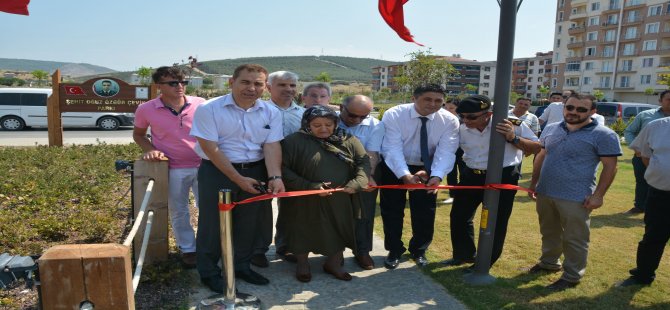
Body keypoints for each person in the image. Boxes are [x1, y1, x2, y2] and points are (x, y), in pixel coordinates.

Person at [190, 64, 285, 293]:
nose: (251, 88)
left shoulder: (271, 112)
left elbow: (271, 145)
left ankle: (241, 266)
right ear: (232, 82)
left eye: (258, 84)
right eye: (245, 82)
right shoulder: (209, 109)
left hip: (256, 171)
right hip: (217, 171)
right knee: (212, 225)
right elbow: (211, 149)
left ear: (266, 87)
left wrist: (275, 176)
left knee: (248, 224)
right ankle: (210, 273)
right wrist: (238, 179)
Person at [528, 93, 621, 291]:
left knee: (575, 237)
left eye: (581, 109)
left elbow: (611, 167)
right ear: (564, 107)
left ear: (592, 112)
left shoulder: (604, 134)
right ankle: (549, 263)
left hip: (576, 196)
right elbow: (541, 155)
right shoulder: (552, 128)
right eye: (570, 107)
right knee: (549, 231)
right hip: (546, 191)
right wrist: (534, 182)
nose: (574, 112)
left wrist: (598, 195)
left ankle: (571, 276)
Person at [442, 95, 541, 268]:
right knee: (459, 215)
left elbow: (536, 147)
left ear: (487, 114)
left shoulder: (509, 123)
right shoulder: (460, 126)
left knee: (497, 219)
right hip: (471, 174)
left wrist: (512, 138)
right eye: (462, 116)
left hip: (503, 175)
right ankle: (464, 255)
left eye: (471, 117)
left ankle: (486, 261)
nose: (465, 120)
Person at [279, 105, 370, 282]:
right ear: (307, 124)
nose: (323, 129)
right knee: (302, 227)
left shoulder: (348, 139)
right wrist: (309, 186)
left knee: (339, 227)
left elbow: (363, 162)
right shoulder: (293, 141)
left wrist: (358, 182)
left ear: (335, 123)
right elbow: (283, 169)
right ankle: (303, 264)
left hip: (341, 196)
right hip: (304, 196)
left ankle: (333, 264)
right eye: (317, 125)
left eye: (328, 124)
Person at [379, 84, 459, 269]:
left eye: (438, 100)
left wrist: (437, 175)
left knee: (425, 211)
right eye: (428, 99)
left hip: (428, 167)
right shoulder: (395, 114)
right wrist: (404, 175)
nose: (433, 104)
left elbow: (446, 151)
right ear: (415, 98)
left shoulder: (449, 120)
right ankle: (394, 250)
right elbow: (391, 147)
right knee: (391, 209)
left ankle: (419, 250)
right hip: (395, 164)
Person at [133, 66, 205, 269]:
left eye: (183, 82)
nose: (180, 86)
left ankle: (208, 246)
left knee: (207, 208)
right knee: (178, 210)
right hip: (172, 167)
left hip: (204, 165)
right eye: (173, 83)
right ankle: (188, 249)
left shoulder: (201, 104)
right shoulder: (146, 109)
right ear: (158, 86)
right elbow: (138, 135)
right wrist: (149, 149)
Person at [617, 117, 670, 287]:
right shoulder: (656, 126)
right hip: (661, 193)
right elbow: (645, 156)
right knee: (653, 236)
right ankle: (643, 275)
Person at [258, 70, 304, 266]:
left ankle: (286, 246)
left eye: (292, 85)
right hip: (260, 165)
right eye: (282, 85)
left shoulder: (304, 114)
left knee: (290, 209)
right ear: (268, 87)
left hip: (293, 169)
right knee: (258, 209)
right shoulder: (258, 111)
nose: (288, 89)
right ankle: (257, 249)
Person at [338, 95, 385, 270]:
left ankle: (362, 251)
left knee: (363, 213)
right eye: (352, 115)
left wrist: (366, 176)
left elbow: (372, 154)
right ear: (342, 107)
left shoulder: (375, 125)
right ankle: (335, 252)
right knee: (335, 213)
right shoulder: (328, 119)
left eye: (363, 117)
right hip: (334, 173)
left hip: (365, 172)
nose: (357, 120)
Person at [622, 90, 670, 214]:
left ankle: (657, 211)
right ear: (660, 101)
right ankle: (639, 206)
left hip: (665, 158)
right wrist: (636, 148)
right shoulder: (645, 115)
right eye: (668, 99)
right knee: (642, 181)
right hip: (642, 155)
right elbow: (629, 131)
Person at [442, 98, 463, 204]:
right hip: (449, 151)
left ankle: (463, 195)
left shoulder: (465, 120)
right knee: (451, 173)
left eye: (451, 108)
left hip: (463, 151)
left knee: (464, 173)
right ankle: (452, 195)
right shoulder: (442, 120)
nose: (447, 110)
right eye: (445, 107)